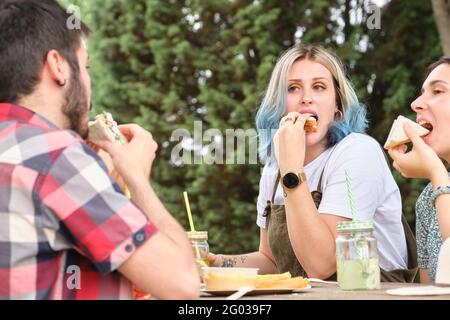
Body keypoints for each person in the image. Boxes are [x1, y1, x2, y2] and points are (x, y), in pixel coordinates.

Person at [0, 0, 199, 299]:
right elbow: (183, 284)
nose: (89, 83)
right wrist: (136, 178)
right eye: (86, 66)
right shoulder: (57, 155)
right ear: (58, 66)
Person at [210, 44, 410, 280]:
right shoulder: (274, 170)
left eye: (319, 87)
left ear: (337, 105)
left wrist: (291, 171)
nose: (306, 99)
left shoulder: (357, 151)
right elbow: (272, 261)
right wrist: (215, 262)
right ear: (278, 105)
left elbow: (322, 265)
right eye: (293, 88)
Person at [388, 56, 450, 284]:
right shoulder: (427, 200)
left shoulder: (437, 183)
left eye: (438, 91)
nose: (416, 103)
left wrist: (436, 172)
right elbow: (427, 293)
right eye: (423, 92)